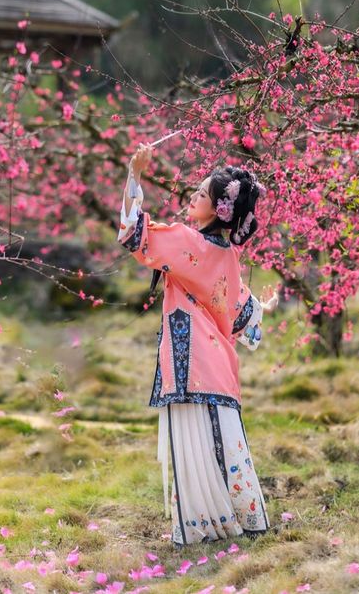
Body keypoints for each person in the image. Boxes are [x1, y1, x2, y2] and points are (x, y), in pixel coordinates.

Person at [117, 143, 280, 547]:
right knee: (226, 443)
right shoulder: (226, 254)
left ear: (219, 210)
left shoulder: (189, 242)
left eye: (202, 195)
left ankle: (201, 525)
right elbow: (240, 309)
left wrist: (134, 176)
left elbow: (134, 234)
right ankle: (242, 518)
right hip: (218, 365)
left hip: (190, 361)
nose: (193, 196)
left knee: (194, 444)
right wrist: (264, 308)